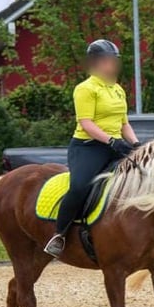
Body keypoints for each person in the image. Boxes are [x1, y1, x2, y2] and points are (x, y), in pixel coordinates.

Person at [44, 39, 141, 258]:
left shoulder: (117, 89)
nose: (112, 65)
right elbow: (86, 123)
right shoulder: (85, 89)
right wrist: (111, 141)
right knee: (79, 187)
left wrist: (135, 144)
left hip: (116, 146)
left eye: (114, 61)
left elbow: (124, 123)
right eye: (108, 60)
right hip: (88, 147)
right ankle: (59, 234)